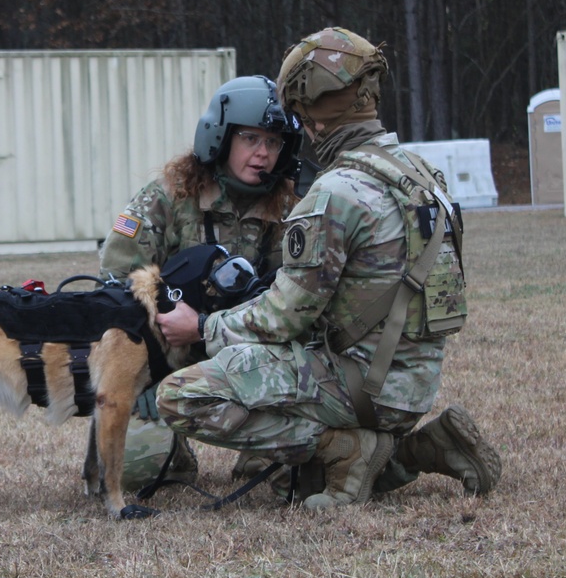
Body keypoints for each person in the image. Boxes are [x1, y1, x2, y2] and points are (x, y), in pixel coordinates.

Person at [154, 27, 501, 508]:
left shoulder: (337, 193)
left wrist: (204, 327)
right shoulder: (422, 175)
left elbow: (283, 317)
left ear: (309, 113)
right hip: (413, 384)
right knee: (290, 482)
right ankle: (427, 447)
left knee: (180, 396)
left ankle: (349, 448)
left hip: (363, 387)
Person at [98, 74, 304, 489]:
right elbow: (116, 282)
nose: (263, 153)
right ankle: (169, 450)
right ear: (222, 137)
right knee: (140, 473)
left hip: (246, 353)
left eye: (273, 142)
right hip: (165, 357)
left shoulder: (288, 208)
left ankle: (259, 456)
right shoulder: (169, 195)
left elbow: (295, 298)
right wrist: (134, 373)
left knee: (287, 477)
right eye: (251, 139)